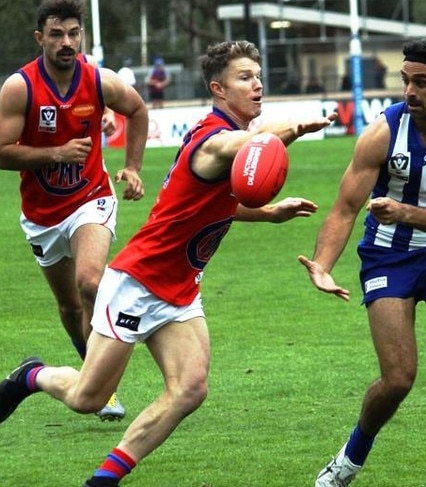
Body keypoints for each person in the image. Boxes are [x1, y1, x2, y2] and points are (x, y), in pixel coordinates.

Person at [0, 40, 335, 487]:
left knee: (191, 388)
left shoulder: (224, 142)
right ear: (218, 88)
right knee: (87, 396)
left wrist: (267, 213)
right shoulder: (214, 140)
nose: (256, 85)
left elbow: (207, 205)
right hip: (138, 283)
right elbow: (250, 142)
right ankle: (30, 376)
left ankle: (102, 480)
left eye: (258, 77)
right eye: (244, 78)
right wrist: (294, 126)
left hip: (180, 289)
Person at [299, 36, 426, 487]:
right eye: (404, 80)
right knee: (398, 379)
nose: (409, 91)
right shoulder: (383, 132)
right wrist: (322, 264)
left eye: (421, 82)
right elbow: (344, 208)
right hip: (387, 257)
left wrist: (405, 211)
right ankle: (349, 460)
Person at [0, 0, 148, 421]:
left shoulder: (99, 80)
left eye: (73, 34)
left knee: (90, 282)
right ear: (39, 38)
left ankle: (101, 384)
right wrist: (56, 153)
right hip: (42, 215)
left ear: (82, 35)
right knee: (69, 306)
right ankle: (91, 374)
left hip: (91, 199)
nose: (66, 43)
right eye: (56, 34)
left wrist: (133, 167)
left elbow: (136, 110)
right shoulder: (20, 87)